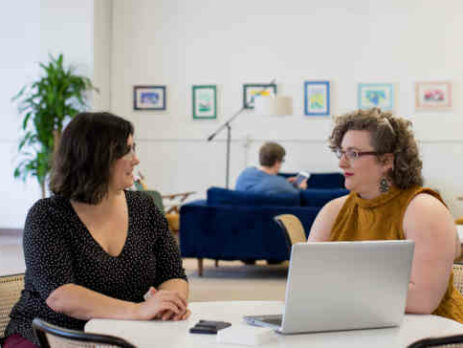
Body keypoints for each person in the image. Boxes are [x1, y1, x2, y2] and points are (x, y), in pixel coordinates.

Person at [3, 112, 190, 347]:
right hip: (50, 335)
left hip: (123, 333)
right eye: (127, 151)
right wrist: (138, 310)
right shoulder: (47, 215)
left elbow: (173, 274)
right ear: (97, 158)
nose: (136, 160)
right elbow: (61, 296)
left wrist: (170, 304)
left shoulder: (144, 208)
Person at [308, 108, 463, 323]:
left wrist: (338, 288)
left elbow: (422, 301)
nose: (341, 163)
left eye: (353, 153)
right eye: (340, 152)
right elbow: (307, 286)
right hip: (355, 324)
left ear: (386, 161)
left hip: (429, 333)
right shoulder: (332, 211)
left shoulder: (424, 210)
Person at [235, 142, 307, 195]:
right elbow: (295, 195)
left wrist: (285, 183)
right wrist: (301, 188)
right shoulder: (281, 185)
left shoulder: (245, 173)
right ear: (277, 162)